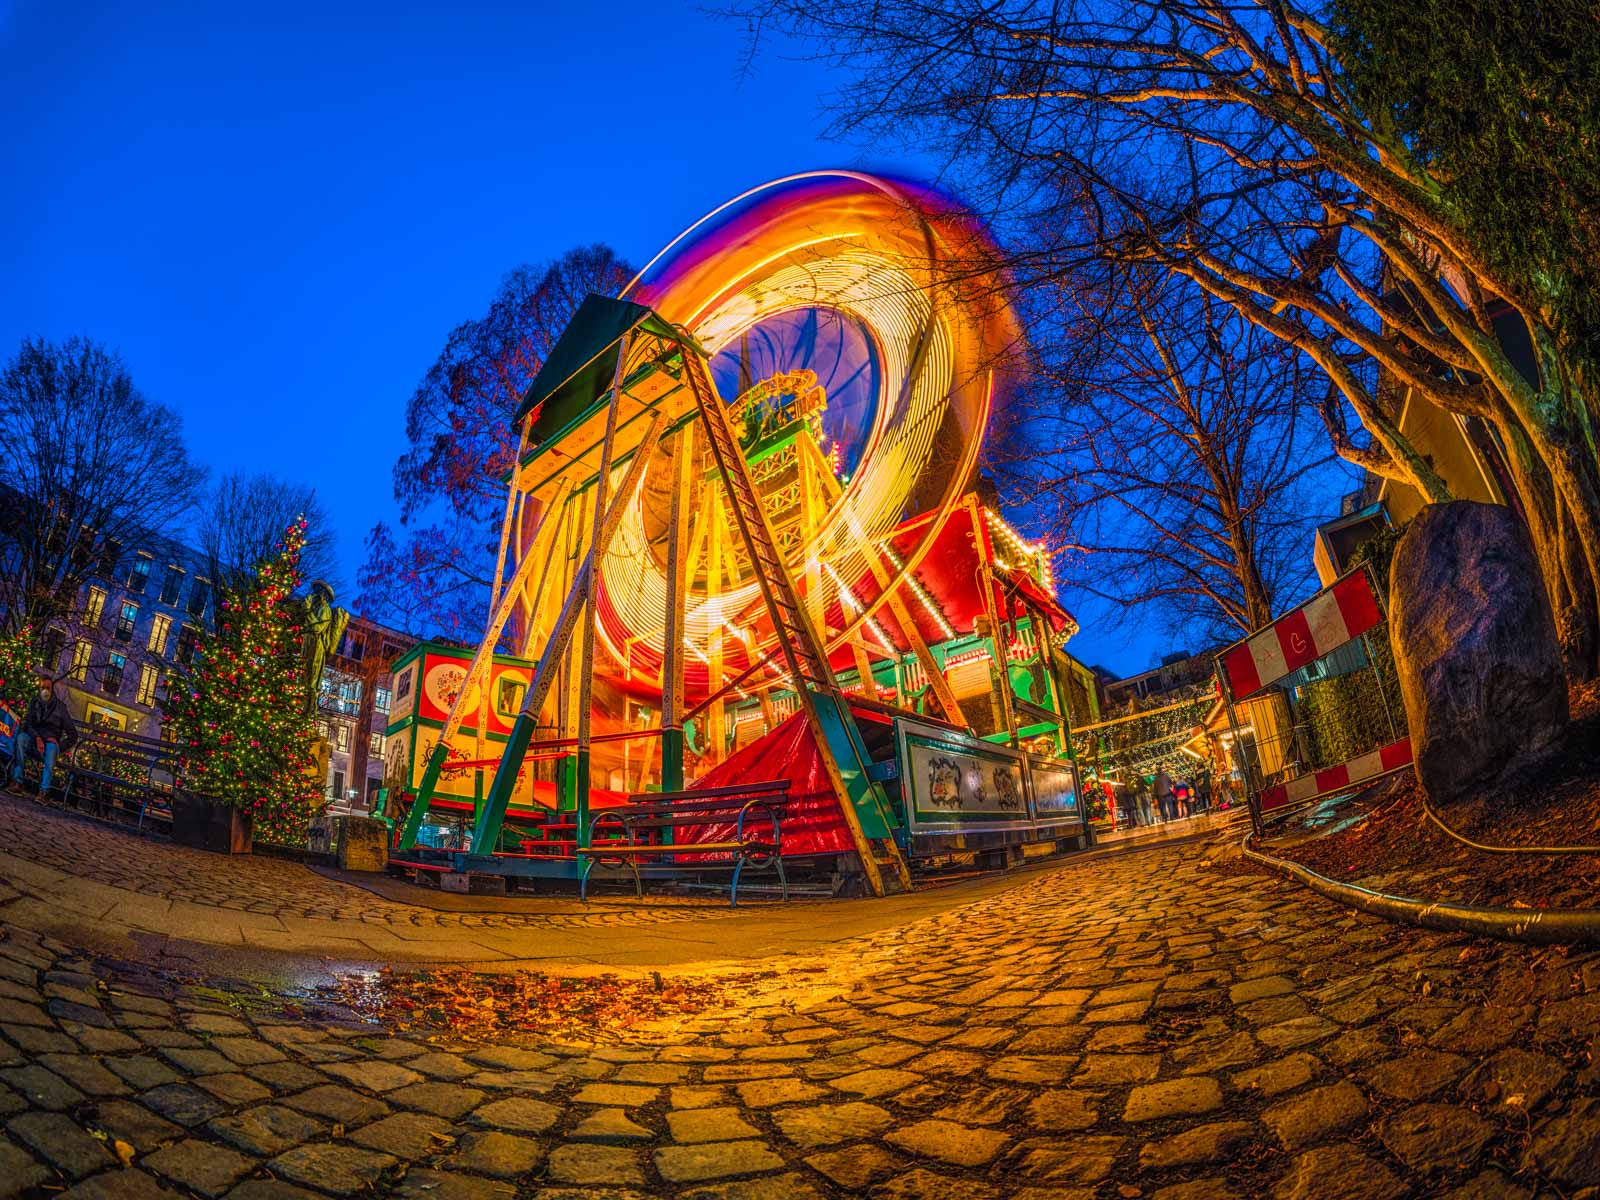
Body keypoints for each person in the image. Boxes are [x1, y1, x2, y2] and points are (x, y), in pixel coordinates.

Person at [11, 674, 77, 799]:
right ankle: (17, 782)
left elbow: (73, 735)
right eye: (43, 688)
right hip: (34, 741)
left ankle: (44, 791)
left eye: (48, 688)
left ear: (52, 689)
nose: (45, 691)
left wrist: (60, 745)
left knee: (52, 748)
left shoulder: (60, 708)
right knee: (21, 738)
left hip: (50, 746)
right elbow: (28, 724)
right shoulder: (35, 702)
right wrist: (37, 738)